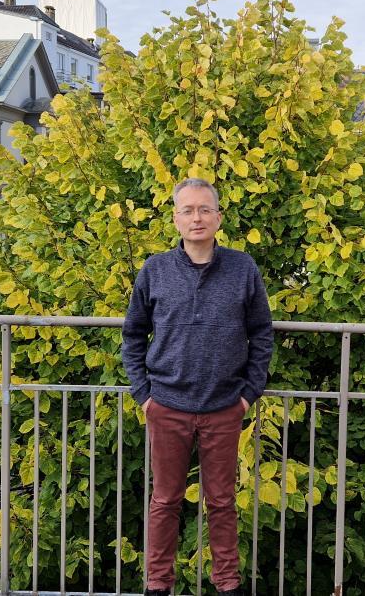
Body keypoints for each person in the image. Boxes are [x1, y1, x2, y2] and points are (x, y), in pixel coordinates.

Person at [122, 177, 273, 596]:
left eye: (205, 209)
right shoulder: (155, 270)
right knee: (165, 501)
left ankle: (228, 584)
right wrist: (144, 395)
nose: (197, 217)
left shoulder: (243, 268)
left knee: (222, 501)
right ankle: (158, 585)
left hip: (225, 406)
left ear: (219, 217)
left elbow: (262, 333)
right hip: (167, 405)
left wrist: (249, 394)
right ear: (175, 218)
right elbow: (133, 334)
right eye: (187, 210)